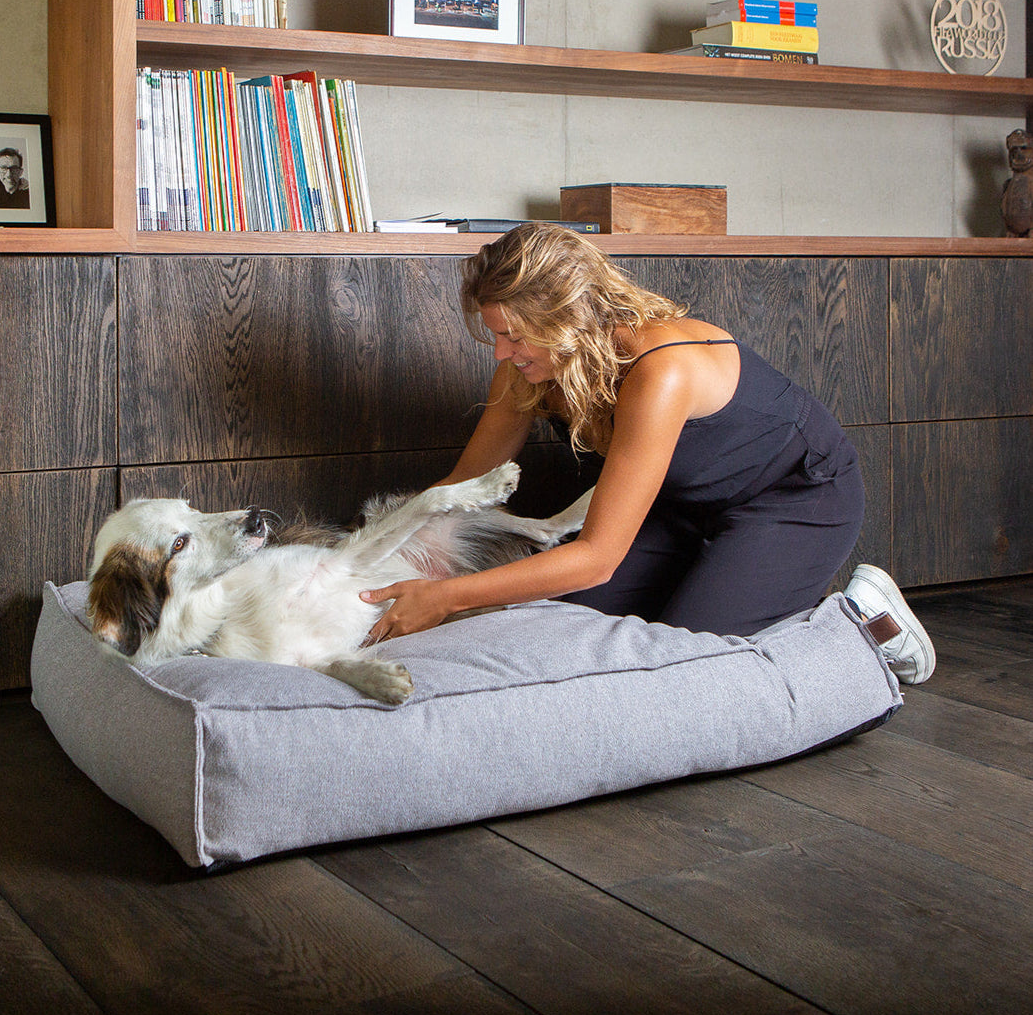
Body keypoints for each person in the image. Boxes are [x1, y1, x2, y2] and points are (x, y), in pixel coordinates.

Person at [361, 222, 934, 683]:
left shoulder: (662, 371)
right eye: (495, 335)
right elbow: (465, 486)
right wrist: (367, 555)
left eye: (515, 335)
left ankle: (864, 618)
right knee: (555, 618)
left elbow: (597, 556)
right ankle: (738, 586)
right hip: (681, 505)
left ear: (569, 321)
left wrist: (444, 597)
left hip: (792, 496)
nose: (500, 353)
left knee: (686, 662)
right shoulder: (525, 370)